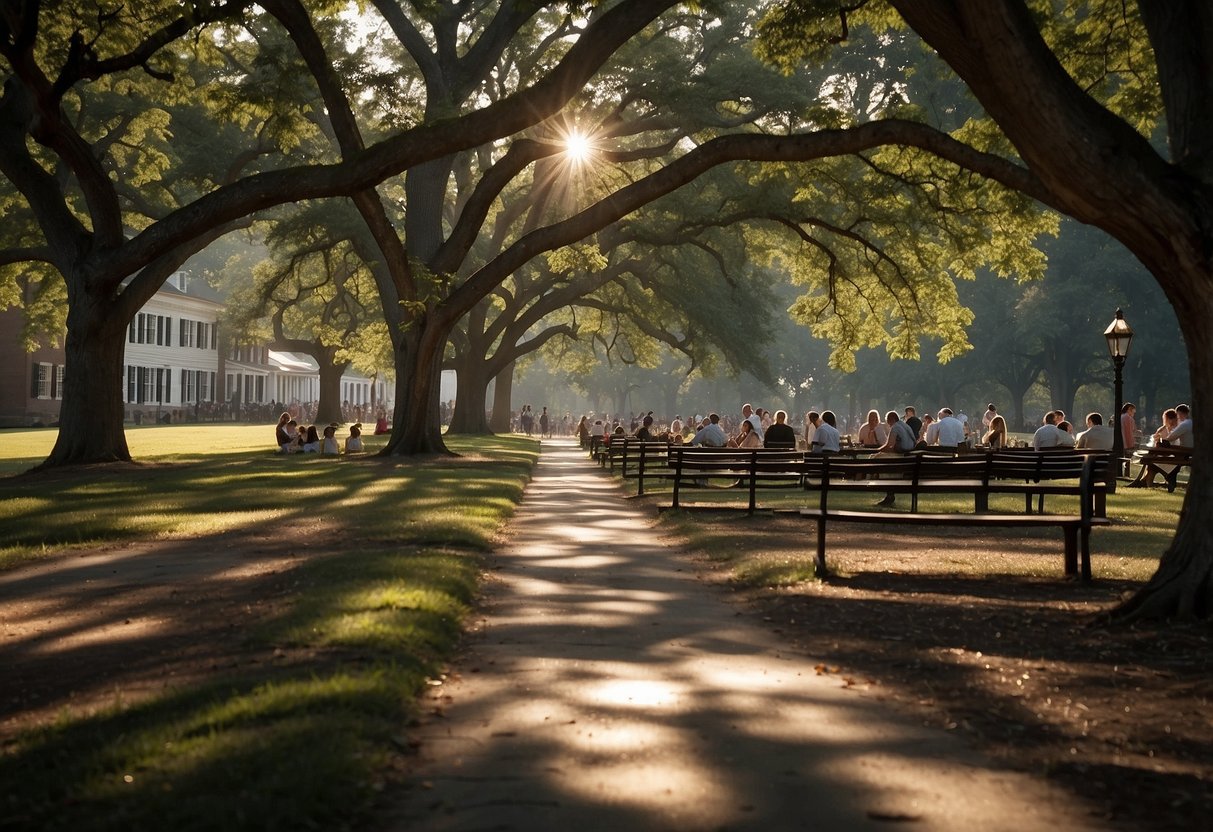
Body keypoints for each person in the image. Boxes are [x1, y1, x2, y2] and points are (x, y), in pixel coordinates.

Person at [874, 410, 917, 506]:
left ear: (892, 419)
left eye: (888, 421)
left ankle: (868, 480)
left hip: (900, 455)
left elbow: (889, 445)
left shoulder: (895, 427)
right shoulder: (906, 426)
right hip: (909, 456)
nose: (888, 424)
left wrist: (878, 450)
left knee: (876, 458)